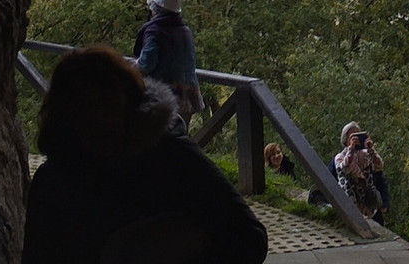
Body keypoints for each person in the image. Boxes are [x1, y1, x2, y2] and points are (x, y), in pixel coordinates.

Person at [22, 45, 267, 264]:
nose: (98, 118)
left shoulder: (170, 156)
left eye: (107, 102)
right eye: (82, 107)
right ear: (65, 115)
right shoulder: (53, 181)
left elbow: (248, 236)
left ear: (129, 100)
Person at [133, 0, 204, 127]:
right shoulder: (184, 30)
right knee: (180, 140)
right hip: (188, 98)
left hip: (163, 99)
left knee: (159, 142)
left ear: (155, 8)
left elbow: (146, 64)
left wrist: (129, 68)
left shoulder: (155, 31)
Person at [334, 121, 385, 220]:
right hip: (350, 201)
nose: (356, 139)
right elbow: (344, 169)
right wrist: (351, 150)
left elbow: (379, 166)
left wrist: (371, 149)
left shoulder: (366, 154)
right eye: (353, 136)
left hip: (367, 201)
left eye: (358, 135)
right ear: (345, 139)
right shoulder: (340, 157)